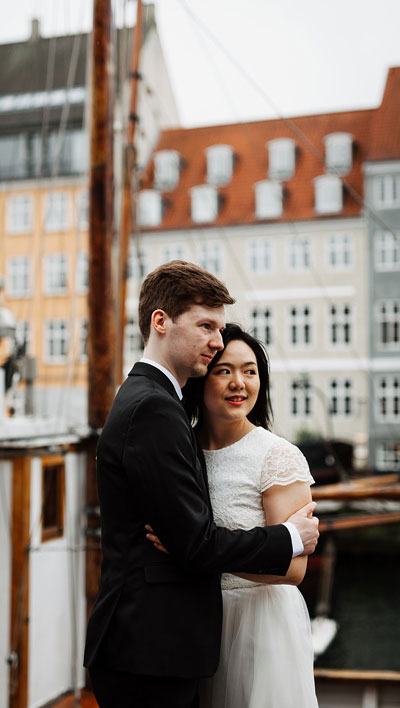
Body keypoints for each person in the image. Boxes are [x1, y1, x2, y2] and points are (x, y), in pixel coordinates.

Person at [83, 261, 320, 708]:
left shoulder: (151, 400)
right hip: (151, 648)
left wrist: (187, 543)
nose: (216, 341)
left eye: (220, 328)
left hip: (170, 644)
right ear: (161, 322)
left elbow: (187, 542)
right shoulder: (155, 408)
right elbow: (194, 544)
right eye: (206, 326)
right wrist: (288, 537)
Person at [149, 323, 317, 707]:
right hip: (195, 621)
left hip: (260, 624)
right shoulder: (180, 449)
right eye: (224, 370)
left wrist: (191, 552)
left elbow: (293, 570)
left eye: (250, 371)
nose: (239, 383)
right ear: (201, 377)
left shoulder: (277, 455)